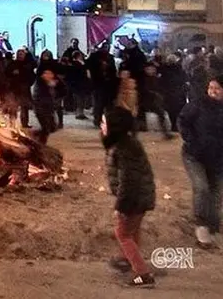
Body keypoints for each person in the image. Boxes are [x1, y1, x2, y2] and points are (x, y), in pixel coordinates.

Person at [102, 75, 157, 288]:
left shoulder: (124, 149)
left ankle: (142, 273)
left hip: (133, 198)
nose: (101, 125)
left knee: (122, 233)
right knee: (133, 231)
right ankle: (128, 260)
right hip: (140, 196)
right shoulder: (127, 143)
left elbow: (128, 180)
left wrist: (120, 205)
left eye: (104, 123)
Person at [178, 75, 223, 248]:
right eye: (211, 87)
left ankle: (213, 224)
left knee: (216, 193)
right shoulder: (198, 105)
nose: (213, 91)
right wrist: (191, 140)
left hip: (218, 159)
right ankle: (201, 226)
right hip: (195, 155)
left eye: (217, 88)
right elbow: (183, 121)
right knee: (202, 188)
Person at [87, 42, 118, 128]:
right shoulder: (94, 57)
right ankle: (97, 120)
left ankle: (107, 120)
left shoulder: (110, 57)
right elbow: (89, 67)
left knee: (108, 104)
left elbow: (113, 71)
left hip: (108, 84)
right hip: (98, 83)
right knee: (98, 103)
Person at [6, 49, 36, 128]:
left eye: (21, 54)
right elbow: (6, 74)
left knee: (24, 107)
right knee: (13, 106)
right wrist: (12, 74)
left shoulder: (28, 65)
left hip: (24, 88)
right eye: (18, 54)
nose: (20, 56)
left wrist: (28, 83)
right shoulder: (12, 64)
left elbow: (32, 76)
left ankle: (25, 123)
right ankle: (12, 123)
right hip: (14, 88)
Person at [160, 53, 187, 132]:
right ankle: (177, 125)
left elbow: (162, 82)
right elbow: (184, 80)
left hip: (169, 94)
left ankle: (174, 125)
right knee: (178, 111)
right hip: (178, 93)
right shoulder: (180, 69)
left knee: (171, 111)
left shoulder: (164, 70)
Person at [32, 68, 59, 144]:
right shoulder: (40, 84)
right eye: (46, 73)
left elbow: (63, 90)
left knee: (53, 127)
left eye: (50, 74)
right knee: (46, 128)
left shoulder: (54, 83)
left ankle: (34, 134)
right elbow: (37, 96)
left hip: (50, 108)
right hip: (41, 108)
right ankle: (41, 144)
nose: (48, 75)